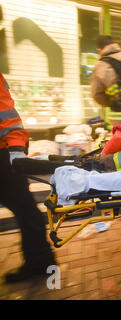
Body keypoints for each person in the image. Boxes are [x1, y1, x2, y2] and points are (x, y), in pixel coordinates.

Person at [0, 72, 56, 282]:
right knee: (26, 210)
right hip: (6, 152)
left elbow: (7, 115)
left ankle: (41, 261)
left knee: (26, 210)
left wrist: (15, 153)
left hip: (3, 153)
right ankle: (41, 260)